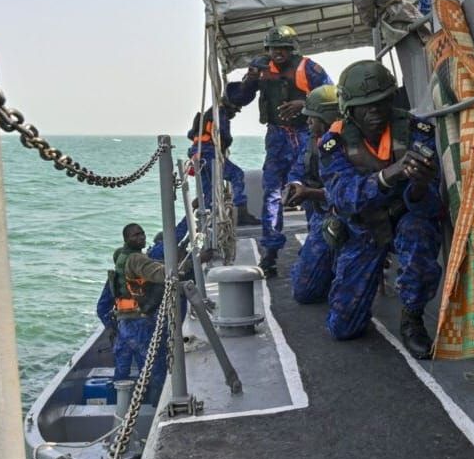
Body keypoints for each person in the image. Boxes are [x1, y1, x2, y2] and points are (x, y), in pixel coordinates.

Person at [319, 60, 442, 357]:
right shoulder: (333, 144)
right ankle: (354, 282)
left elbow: (432, 207)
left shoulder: (417, 131)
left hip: (403, 220)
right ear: (349, 109)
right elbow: (344, 196)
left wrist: (421, 185)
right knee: (343, 329)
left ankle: (412, 316)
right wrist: (391, 175)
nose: (375, 112)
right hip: (363, 229)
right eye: (366, 106)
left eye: (381, 103)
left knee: (419, 230)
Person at [238, 25, 332, 276]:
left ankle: (317, 242)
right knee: (271, 192)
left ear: (292, 49)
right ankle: (270, 251)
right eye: (273, 48)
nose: (278, 52)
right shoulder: (262, 69)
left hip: (305, 133)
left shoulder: (309, 68)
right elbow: (241, 98)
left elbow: (332, 96)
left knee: (309, 184)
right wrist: (250, 79)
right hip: (277, 135)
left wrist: (304, 103)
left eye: (283, 48)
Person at [283, 84, 341, 304]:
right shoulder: (312, 140)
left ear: (328, 118)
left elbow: (349, 192)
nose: (307, 122)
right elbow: (298, 167)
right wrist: (296, 184)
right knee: (303, 291)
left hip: (349, 218)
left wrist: (311, 193)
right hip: (321, 216)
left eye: (312, 117)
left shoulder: (348, 144)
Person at [109, 223, 170, 405]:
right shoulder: (136, 259)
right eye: (136, 235)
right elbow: (163, 274)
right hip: (138, 322)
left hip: (123, 322)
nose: (141, 237)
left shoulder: (120, 255)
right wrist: (188, 264)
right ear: (127, 239)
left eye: (142, 234)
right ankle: (157, 406)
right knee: (154, 366)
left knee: (121, 370)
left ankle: (117, 407)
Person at [187, 82, 259, 226]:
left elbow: (191, 134)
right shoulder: (221, 113)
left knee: (207, 195)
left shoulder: (210, 112)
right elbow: (225, 136)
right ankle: (241, 212)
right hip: (208, 152)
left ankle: (193, 232)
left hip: (197, 152)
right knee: (237, 175)